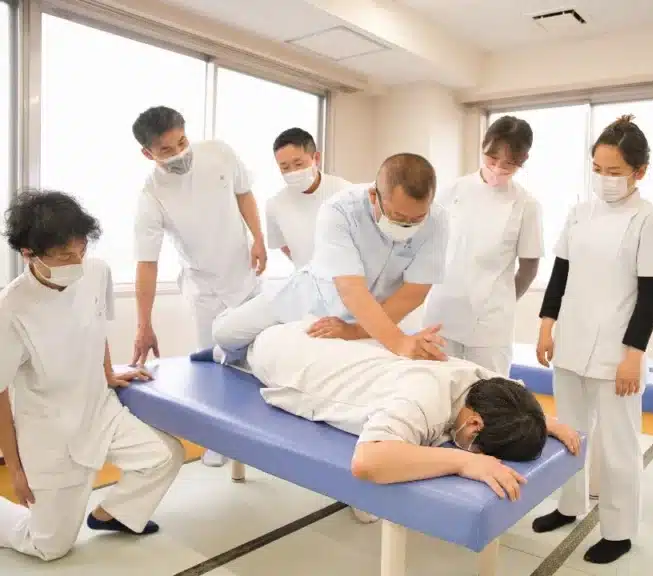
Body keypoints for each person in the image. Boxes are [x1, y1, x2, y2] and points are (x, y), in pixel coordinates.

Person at [0, 190, 185, 562]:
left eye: (81, 248)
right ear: (29, 254)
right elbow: (0, 392)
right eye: (65, 255)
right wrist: (15, 467)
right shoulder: (10, 309)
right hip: (50, 436)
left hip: (99, 409)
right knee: (50, 546)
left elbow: (95, 324)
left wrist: (107, 372)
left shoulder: (96, 271)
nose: (77, 260)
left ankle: (113, 514)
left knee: (165, 455)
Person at [531, 115, 653, 564]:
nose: (605, 180)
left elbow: (651, 298)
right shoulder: (580, 211)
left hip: (617, 352)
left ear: (639, 172)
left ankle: (619, 529)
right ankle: (569, 505)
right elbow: (561, 273)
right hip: (571, 341)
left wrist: (634, 356)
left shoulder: (650, 221)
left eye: (614, 172)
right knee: (567, 432)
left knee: (617, 445)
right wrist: (545, 326)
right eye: (598, 169)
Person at [241, 317, 581, 496]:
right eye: (481, 449)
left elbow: (515, 395)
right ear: (474, 425)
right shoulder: (424, 398)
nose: (478, 454)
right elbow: (367, 461)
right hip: (277, 353)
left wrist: (540, 421)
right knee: (228, 329)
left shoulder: (477, 382)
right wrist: (464, 462)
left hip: (318, 338)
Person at [210, 153, 450, 363]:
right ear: (374, 197)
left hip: (377, 311)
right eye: (398, 215)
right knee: (224, 333)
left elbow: (415, 291)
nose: (406, 224)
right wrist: (398, 343)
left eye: (417, 218)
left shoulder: (437, 220)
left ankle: (251, 356)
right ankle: (233, 338)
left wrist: (355, 331)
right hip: (311, 297)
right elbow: (351, 289)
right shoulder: (340, 210)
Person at [132, 106, 266, 467]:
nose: (179, 153)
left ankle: (257, 435)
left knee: (258, 360)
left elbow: (244, 193)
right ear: (147, 154)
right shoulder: (151, 196)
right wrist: (144, 324)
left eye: (181, 142)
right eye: (165, 150)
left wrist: (258, 238)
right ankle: (216, 441)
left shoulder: (218, 153)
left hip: (244, 276)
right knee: (212, 366)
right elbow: (147, 263)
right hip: (204, 287)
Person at [423, 115, 542, 374]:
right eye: (492, 159)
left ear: (524, 160)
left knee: (489, 395)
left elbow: (529, 266)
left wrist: (503, 301)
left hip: (491, 322)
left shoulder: (526, 204)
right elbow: (428, 244)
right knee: (436, 389)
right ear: (483, 145)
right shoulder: (452, 191)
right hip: (444, 309)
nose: (498, 168)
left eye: (509, 164)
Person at [267, 128, 351, 269]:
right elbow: (283, 245)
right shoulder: (275, 205)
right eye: (285, 167)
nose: (293, 172)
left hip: (346, 281)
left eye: (298, 164)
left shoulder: (345, 192)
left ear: (316, 158)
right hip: (307, 281)